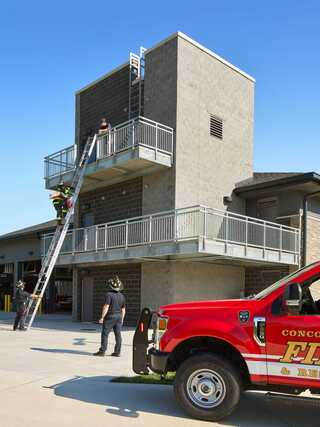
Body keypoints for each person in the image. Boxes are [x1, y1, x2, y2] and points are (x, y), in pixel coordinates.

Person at [93, 276, 126, 357]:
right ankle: (117, 352)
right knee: (118, 334)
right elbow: (124, 309)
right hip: (119, 316)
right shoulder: (122, 296)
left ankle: (102, 351)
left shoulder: (108, 294)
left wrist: (102, 317)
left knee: (105, 334)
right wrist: (122, 319)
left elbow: (106, 306)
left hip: (110, 317)